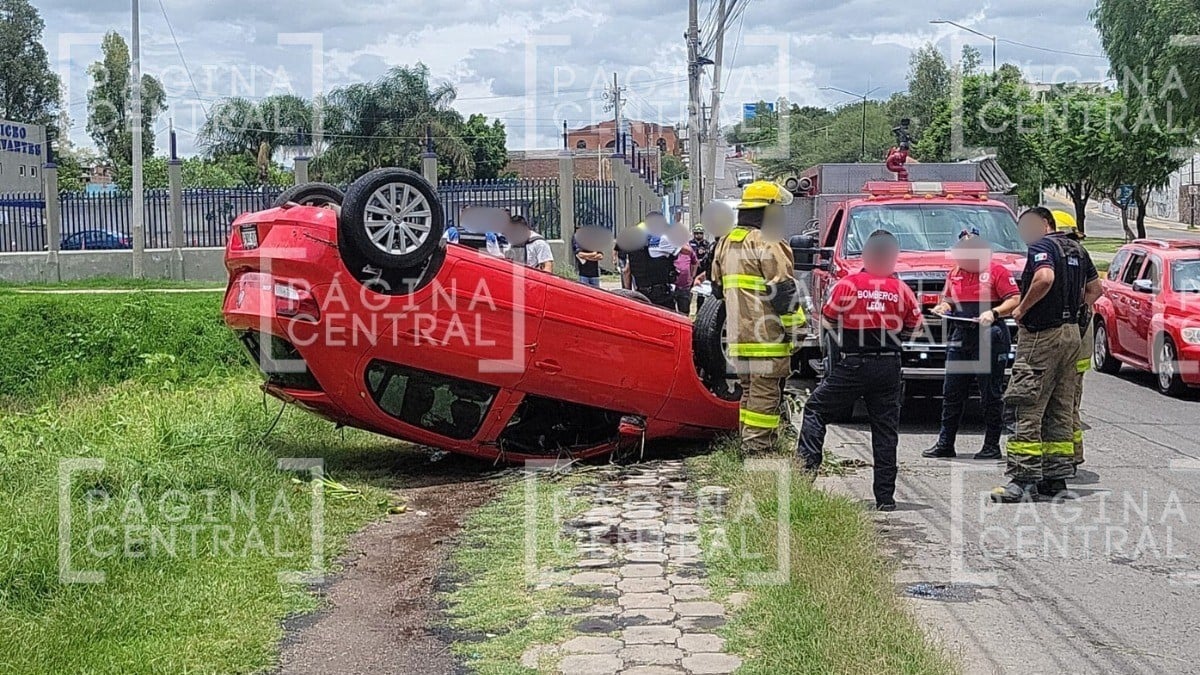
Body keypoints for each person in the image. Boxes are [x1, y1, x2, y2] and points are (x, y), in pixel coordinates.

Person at [797, 230, 922, 511]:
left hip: (853, 362)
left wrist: (841, 346)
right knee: (885, 430)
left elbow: (827, 318)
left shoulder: (849, 284)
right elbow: (914, 324)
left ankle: (804, 476)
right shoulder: (901, 289)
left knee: (816, 409)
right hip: (889, 365)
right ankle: (885, 499)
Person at [992, 207, 1099, 503]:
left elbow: (1044, 278)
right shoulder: (1077, 249)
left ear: (1045, 225)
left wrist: (1022, 309)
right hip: (1070, 336)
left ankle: (1023, 481)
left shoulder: (1042, 246)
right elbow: (1095, 290)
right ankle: (1056, 478)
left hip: (1042, 336)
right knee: (1060, 407)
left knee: (1026, 404)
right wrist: (1076, 315)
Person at [711, 181, 806, 454]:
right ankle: (758, 449)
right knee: (764, 396)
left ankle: (746, 443)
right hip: (767, 337)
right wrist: (796, 330)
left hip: (739, 338)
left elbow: (717, 289)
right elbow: (783, 291)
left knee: (750, 393)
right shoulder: (769, 240)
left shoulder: (726, 242)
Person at [923, 232, 1021, 460]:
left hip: (990, 335)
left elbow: (1014, 299)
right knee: (952, 392)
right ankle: (945, 443)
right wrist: (943, 308)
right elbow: (947, 298)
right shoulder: (955, 273)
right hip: (961, 334)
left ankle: (991, 445)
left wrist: (994, 312)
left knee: (990, 393)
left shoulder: (997, 271)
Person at [1050, 209, 1101, 474]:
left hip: (1069, 344)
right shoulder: (1081, 257)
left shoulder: (1062, 259)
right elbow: (1096, 290)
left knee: (1064, 404)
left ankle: (1068, 457)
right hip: (1077, 341)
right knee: (1069, 404)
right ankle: (1070, 456)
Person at [624, 213, 678, 309]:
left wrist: (628, 293)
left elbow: (626, 271)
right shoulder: (662, 240)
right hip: (661, 295)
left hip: (641, 294)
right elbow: (686, 250)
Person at [672, 237, 699, 313]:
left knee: (684, 310)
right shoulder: (669, 246)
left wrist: (692, 276)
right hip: (671, 285)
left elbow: (695, 262)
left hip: (685, 286)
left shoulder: (688, 248)